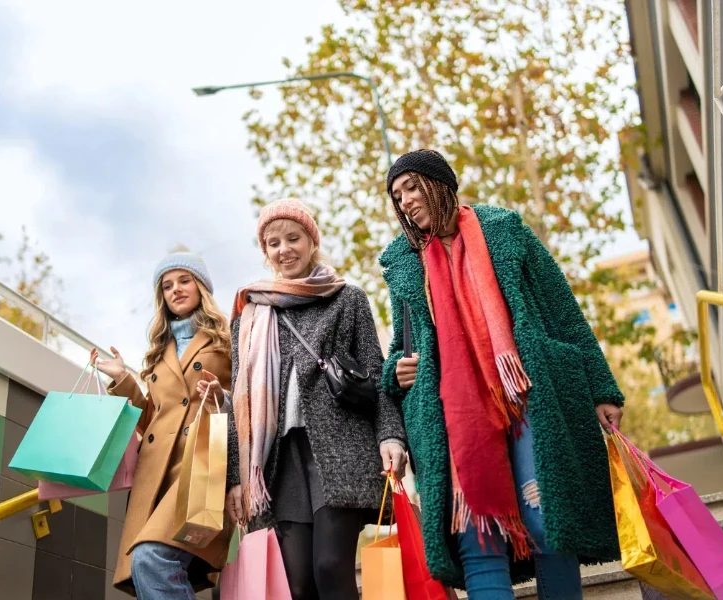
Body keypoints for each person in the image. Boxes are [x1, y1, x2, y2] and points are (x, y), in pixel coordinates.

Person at [378, 150, 623, 599]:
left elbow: (563, 311)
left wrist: (602, 389)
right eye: (397, 195)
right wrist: (396, 370)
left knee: (546, 517)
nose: (406, 201)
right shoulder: (406, 263)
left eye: (412, 186)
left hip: (527, 394)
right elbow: (401, 346)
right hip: (454, 414)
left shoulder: (504, 230)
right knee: (479, 534)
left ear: (441, 183)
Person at [224, 198, 408, 600]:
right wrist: (235, 479)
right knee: (298, 581)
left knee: (330, 565)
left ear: (311, 241)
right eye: (273, 243)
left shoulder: (348, 299)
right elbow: (238, 401)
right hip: (278, 461)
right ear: (265, 251)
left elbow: (375, 376)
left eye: (293, 238)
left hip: (341, 448)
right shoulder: (249, 314)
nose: (284, 249)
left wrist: (391, 437)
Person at [93, 249, 233, 600]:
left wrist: (221, 396)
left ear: (202, 287)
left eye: (185, 280)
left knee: (151, 558)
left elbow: (248, 402)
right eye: (167, 285)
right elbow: (152, 419)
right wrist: (123, 379)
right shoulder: (159, 351)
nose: (176, 290)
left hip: (204, 463)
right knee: (147, 570)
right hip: (156, 474)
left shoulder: (227, 340)